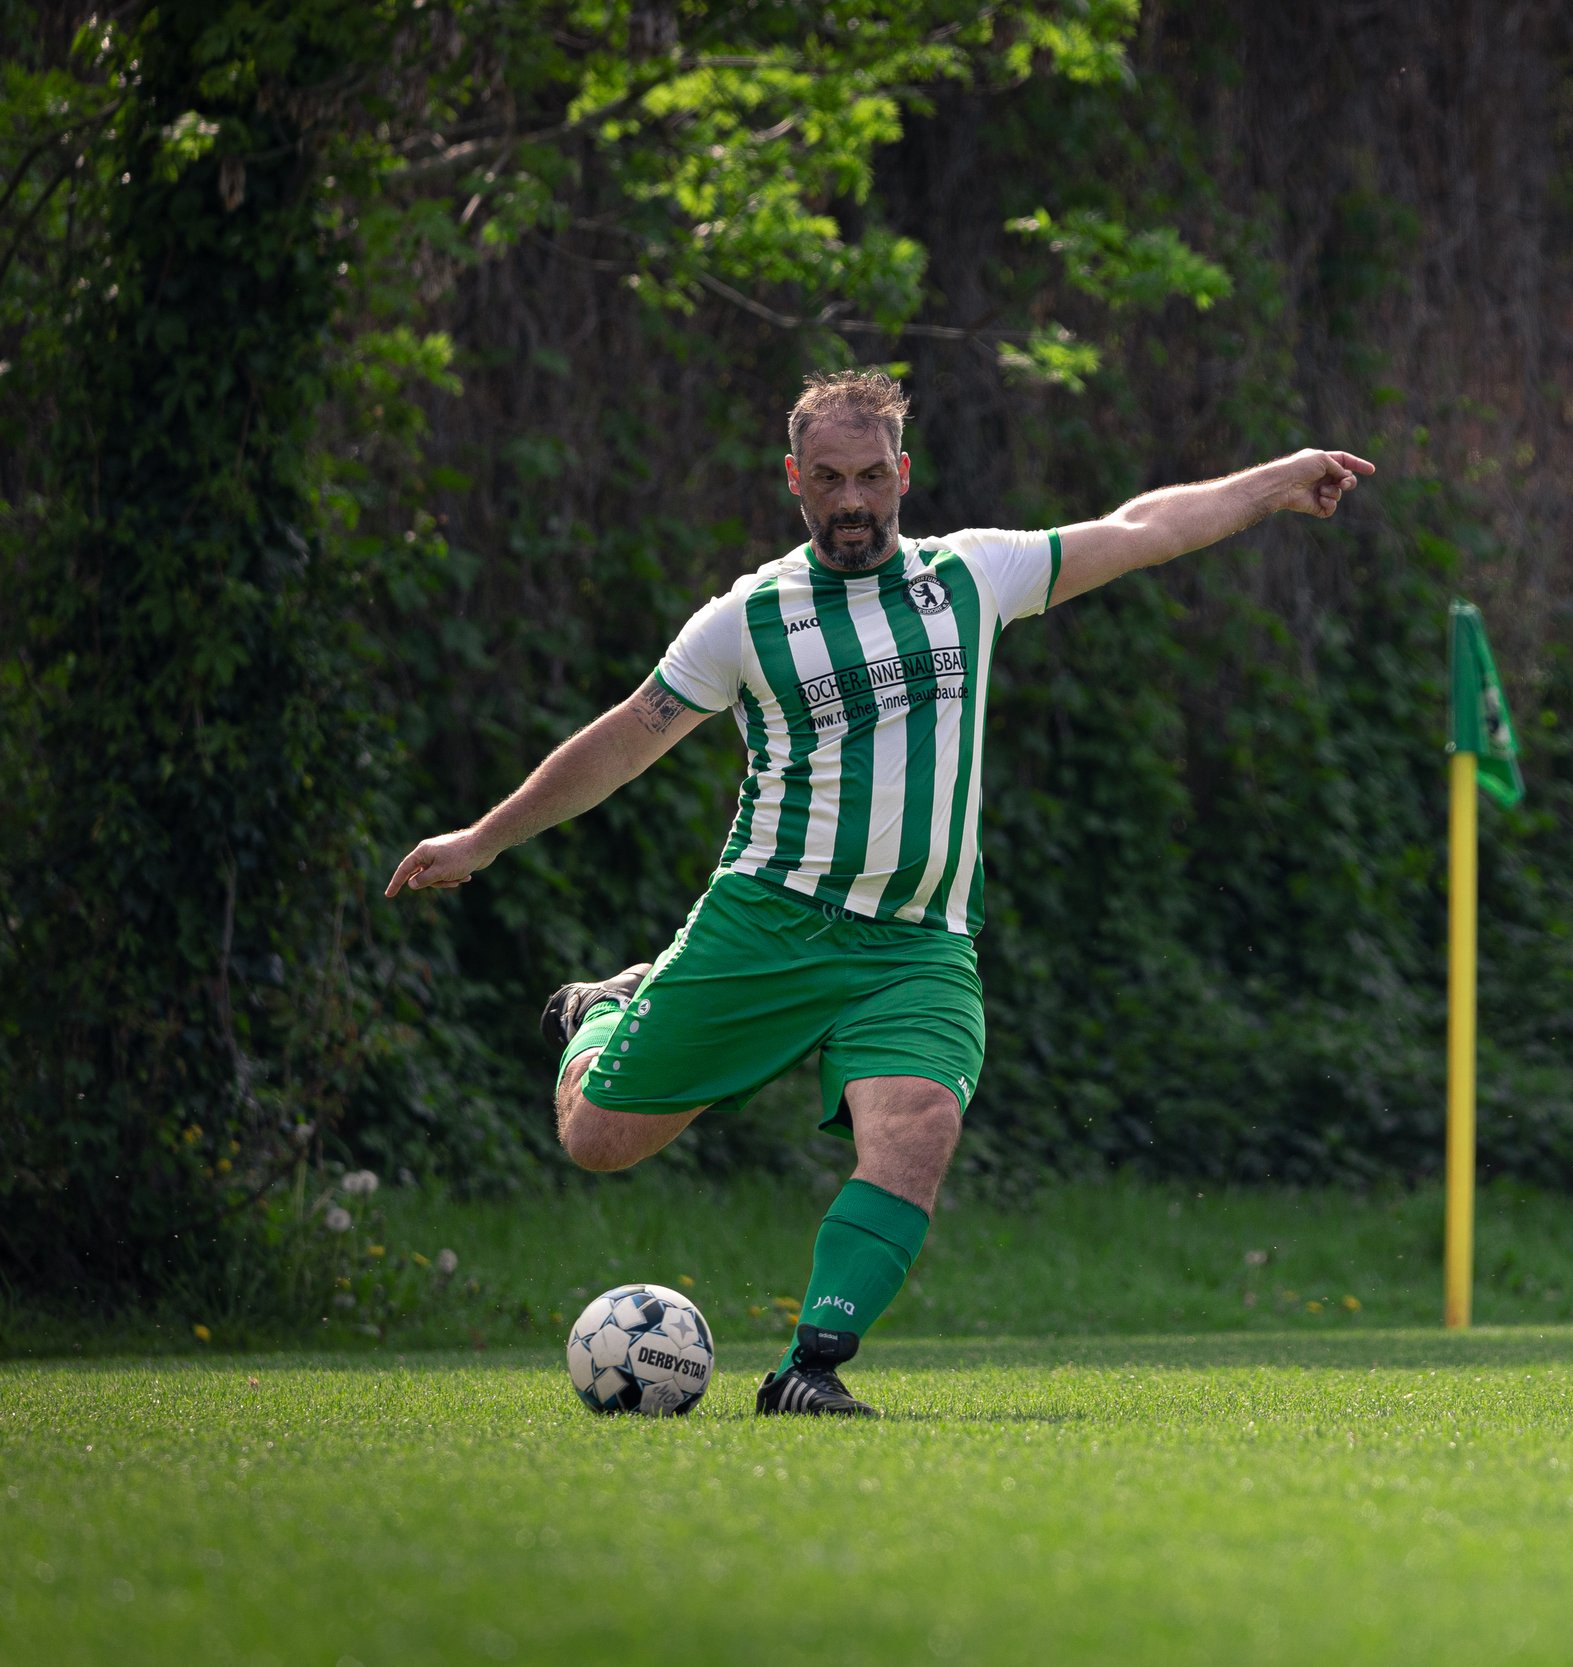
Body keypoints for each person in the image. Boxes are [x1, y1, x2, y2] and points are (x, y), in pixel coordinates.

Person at [386, 370, 1373, 1416]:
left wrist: (1275, 481)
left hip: (919, 941)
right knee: (597, 1139)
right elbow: (627, 738)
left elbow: (1138, 527)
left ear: (903, 473)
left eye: (869, 475)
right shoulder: (748, 618)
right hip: (769, 917)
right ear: (794, 482)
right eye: (828, 479)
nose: (851, 499)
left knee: (918, 1124)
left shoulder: (972, 577)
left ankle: (808, 1368)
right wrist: (484, 838)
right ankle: (606, 1010)